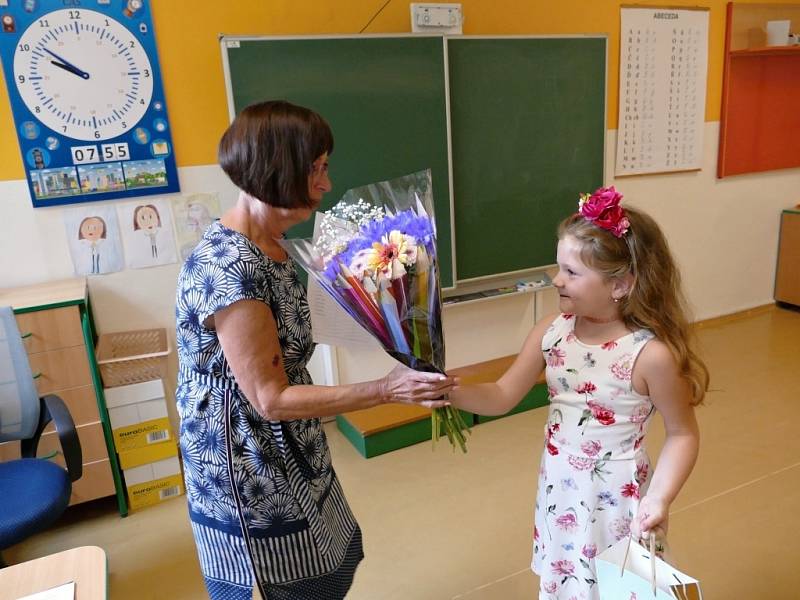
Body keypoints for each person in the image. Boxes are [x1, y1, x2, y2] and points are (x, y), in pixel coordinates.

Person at [174, 100, 455, 600]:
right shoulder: (230, 268)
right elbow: (270, 399)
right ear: (276, 170)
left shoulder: (273, 246)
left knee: (320, 561)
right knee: (281, 579)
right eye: (317, 169)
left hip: (290, 441)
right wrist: (387, 388)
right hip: (248, 461)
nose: (326, 184)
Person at [448, 187, 707, 599]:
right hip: (562, 491)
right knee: (567, 585)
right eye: (558, 267)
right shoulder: (553, 331)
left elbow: (683, 433)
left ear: (620, 284)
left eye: (571, 272)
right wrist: (450, 393)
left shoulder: (649, 355)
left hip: (617, 500)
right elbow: (500, 394)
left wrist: (660, 497)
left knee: (617, 588)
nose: (556, 280)